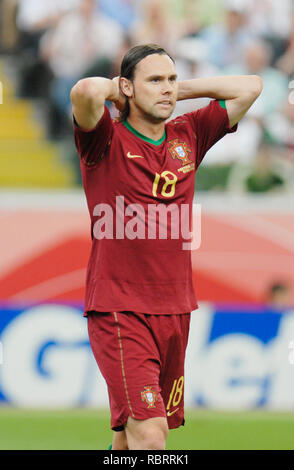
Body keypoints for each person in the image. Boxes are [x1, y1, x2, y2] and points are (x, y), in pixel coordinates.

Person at [70, 43, 262, 450]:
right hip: (119, 308)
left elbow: (251, 86)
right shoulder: (104, 140)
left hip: (176, 309)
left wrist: (179, 89)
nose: (167, 89)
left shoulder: (189, 133)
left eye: (171, 79)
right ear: (126, 87)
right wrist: (123, 92)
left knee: (129, 437)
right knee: (151, 434)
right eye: (155, 80)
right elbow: (86, 91)